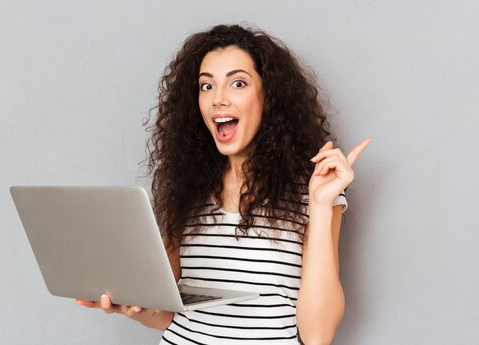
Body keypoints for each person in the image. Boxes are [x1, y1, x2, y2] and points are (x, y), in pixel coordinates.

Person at [75, 24, 371, 345]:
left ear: (268, 97)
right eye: (206, 86)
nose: (218, 100)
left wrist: (320, 207)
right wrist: (135, 309)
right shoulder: (188, 189)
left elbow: (318, 335)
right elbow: (170, 313)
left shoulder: (315, 192)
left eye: (238, 83)